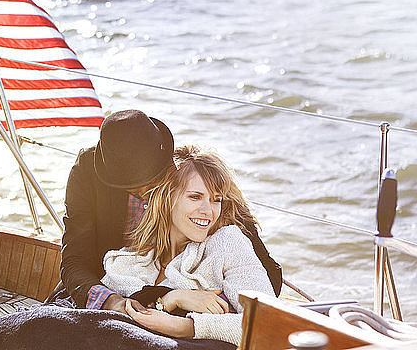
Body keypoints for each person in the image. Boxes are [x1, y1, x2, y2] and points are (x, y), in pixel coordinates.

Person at [60, 110, 282, 314]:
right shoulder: (87, 172)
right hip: (105, 289)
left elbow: (268, 273)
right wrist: (112, 302)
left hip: (175, 305)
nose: (147, 192)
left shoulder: (191, 177)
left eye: (152, 180)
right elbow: (74, 261)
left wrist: (207, 304)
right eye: (132, 187)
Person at [100, 146, 275, 346]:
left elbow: (268, 324)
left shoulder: (227, 242)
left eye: (216, 200)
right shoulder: (140, 254)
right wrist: (169, 299)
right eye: (195, 197)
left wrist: (185, 327)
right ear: (167, 197)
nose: (208, 211)